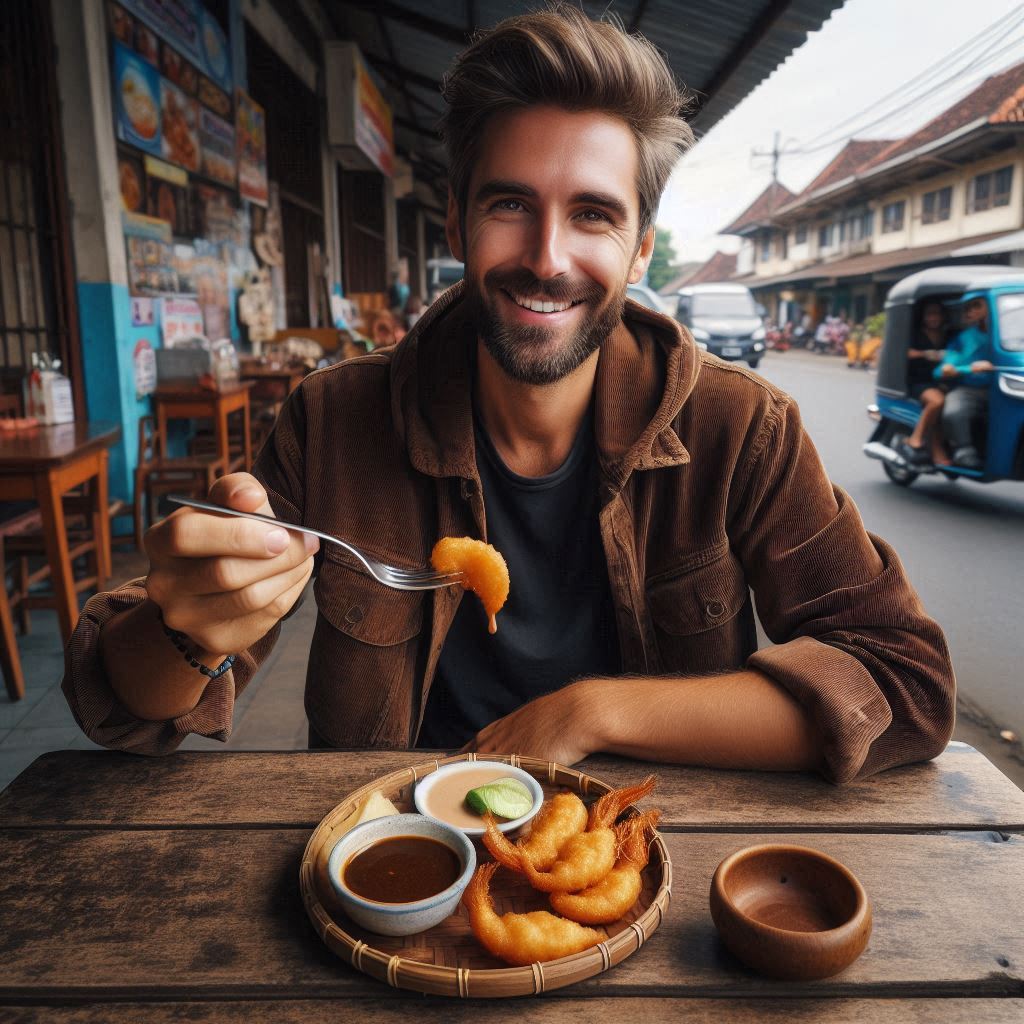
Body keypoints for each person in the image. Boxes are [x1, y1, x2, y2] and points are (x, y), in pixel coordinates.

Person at [63, 6, 954, 785]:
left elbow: (903, 683)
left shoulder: (740, 428)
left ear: (642, 251)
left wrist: (593, 713)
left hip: (649, 862)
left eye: (595, 214)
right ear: (455, 219)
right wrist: (189, 627)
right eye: (510, 205)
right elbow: (124, 708)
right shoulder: (333, 422)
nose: (548, 256)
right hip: (401, 859)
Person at [937, 297, 994, 470]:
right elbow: (945, 368)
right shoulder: (965, 338)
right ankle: (964, 450)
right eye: (968, 308)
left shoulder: (1011, 334)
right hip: (971, 389)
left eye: (976, 306)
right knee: (955, 410)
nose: (970, 312)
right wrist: (969, 368)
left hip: (1004, 387)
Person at [899, 301, 950, 467]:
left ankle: (938, 450)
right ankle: (916, 437)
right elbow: (902, 351)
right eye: (930, 314)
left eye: (937, 314)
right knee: (936, 402)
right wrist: (925, 354)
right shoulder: (915, 333)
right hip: (919, 382)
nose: (933, 318)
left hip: (943, 381)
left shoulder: (948, 334)